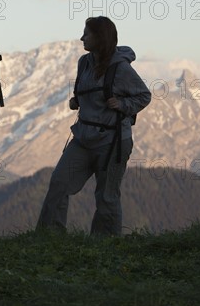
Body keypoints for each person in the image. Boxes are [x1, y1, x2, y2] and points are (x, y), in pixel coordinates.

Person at [37, 16, 151, 235]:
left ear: (100, 38)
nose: (81, 38)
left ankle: (105, 247)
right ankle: (48, 238)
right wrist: (76, 101)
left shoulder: (120, 69)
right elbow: (86, 91)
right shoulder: (84, 62)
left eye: (86, 34)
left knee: (107, 196)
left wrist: (124, 104)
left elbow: (144, 95)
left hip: (112, 141)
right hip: (83, 137)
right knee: (59, 182)